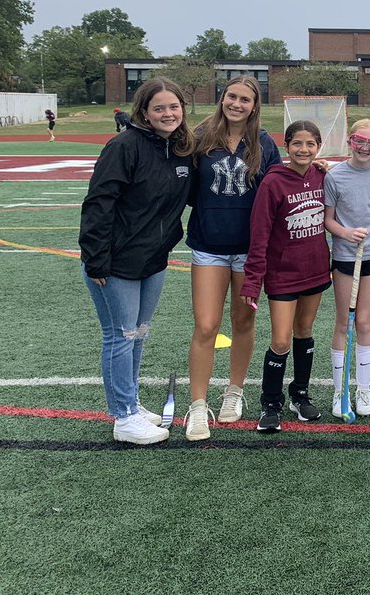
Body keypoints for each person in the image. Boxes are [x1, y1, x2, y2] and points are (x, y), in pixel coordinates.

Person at [78, 78, 195, 445]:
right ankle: (124, 416)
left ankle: (130, 402)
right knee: (121, 335)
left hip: (153, 259)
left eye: (174, 107)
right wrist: (96, 258)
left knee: (138, 333)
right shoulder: (124, 146)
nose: (168, 114)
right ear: (144, 112)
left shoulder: (181, 148)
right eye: (159, 108)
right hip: (116, 261)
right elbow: (98, 202)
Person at [183, 76, 282, 441]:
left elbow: (279, 187)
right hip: (209, 245)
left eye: (245, 99)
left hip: (250, 250)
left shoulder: (264, 143)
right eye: (232, 96)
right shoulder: (199, 137)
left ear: (254, 106)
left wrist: (317, 169)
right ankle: (197, 406)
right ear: (222, 98)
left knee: (242, 322)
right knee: (206, 325)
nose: (236, 104)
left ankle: (234, 390)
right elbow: (184, 187)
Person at [240, 120, 332, 433]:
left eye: (310, 144)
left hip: (315, 269)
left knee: (304, 331)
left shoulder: (322, 175)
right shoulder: (273, 182)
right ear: (287, 146)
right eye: (297, 144)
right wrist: (253, 279)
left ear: (318, 147)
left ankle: (300, 394)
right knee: (280, 340)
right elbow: (260, 234)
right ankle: (270, 402)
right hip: (282, 274)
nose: (304, 150)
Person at [325, 118, 370, 417]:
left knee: (365, 322)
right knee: (344, 322)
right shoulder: (334, 176)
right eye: (359, 141)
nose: (365, 147)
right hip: (345, 256)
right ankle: (340, 391)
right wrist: (345, 233)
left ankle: (364, 390)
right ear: (350, 141)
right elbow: (328, 219)